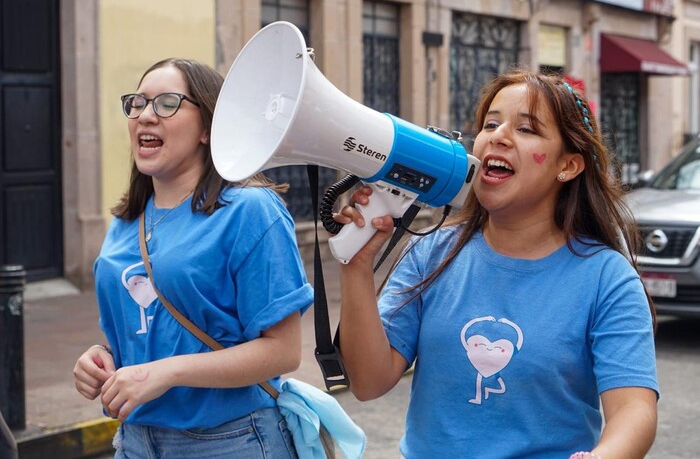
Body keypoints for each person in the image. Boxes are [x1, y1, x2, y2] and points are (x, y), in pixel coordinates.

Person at [335, 70, 658, 458]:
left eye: (526, 129)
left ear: (569, 166)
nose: (498, 136)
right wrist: (356, 265)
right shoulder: (431, 252)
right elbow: (368, 382)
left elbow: (634, 409)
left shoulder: (608, 279)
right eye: (491, 123)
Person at [73, 58, 312, 458]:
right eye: (137, 103)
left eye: (167, 103)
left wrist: (165, 373)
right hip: (135, 440)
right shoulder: (126, 220)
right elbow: (146, 330)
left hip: (229, 441)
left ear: (207, 127)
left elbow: (283, 352)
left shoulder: (249, 210)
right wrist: (102, 358)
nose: (146, 115)